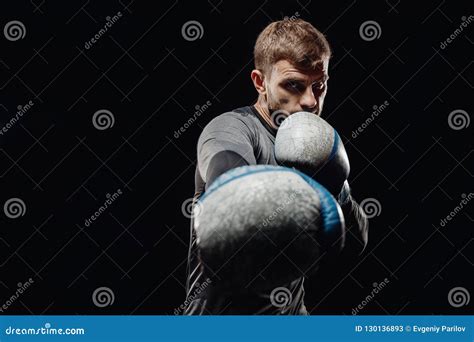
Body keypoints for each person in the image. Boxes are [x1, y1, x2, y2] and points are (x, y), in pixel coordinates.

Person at [184, 18, 368, 315]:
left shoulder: (314, 143)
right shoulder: (231, 130)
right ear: (260, 82)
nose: (310, 101)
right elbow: (229, 191)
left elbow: (355, 246)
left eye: (318, 86)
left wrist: (338, 187)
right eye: (293, 85)